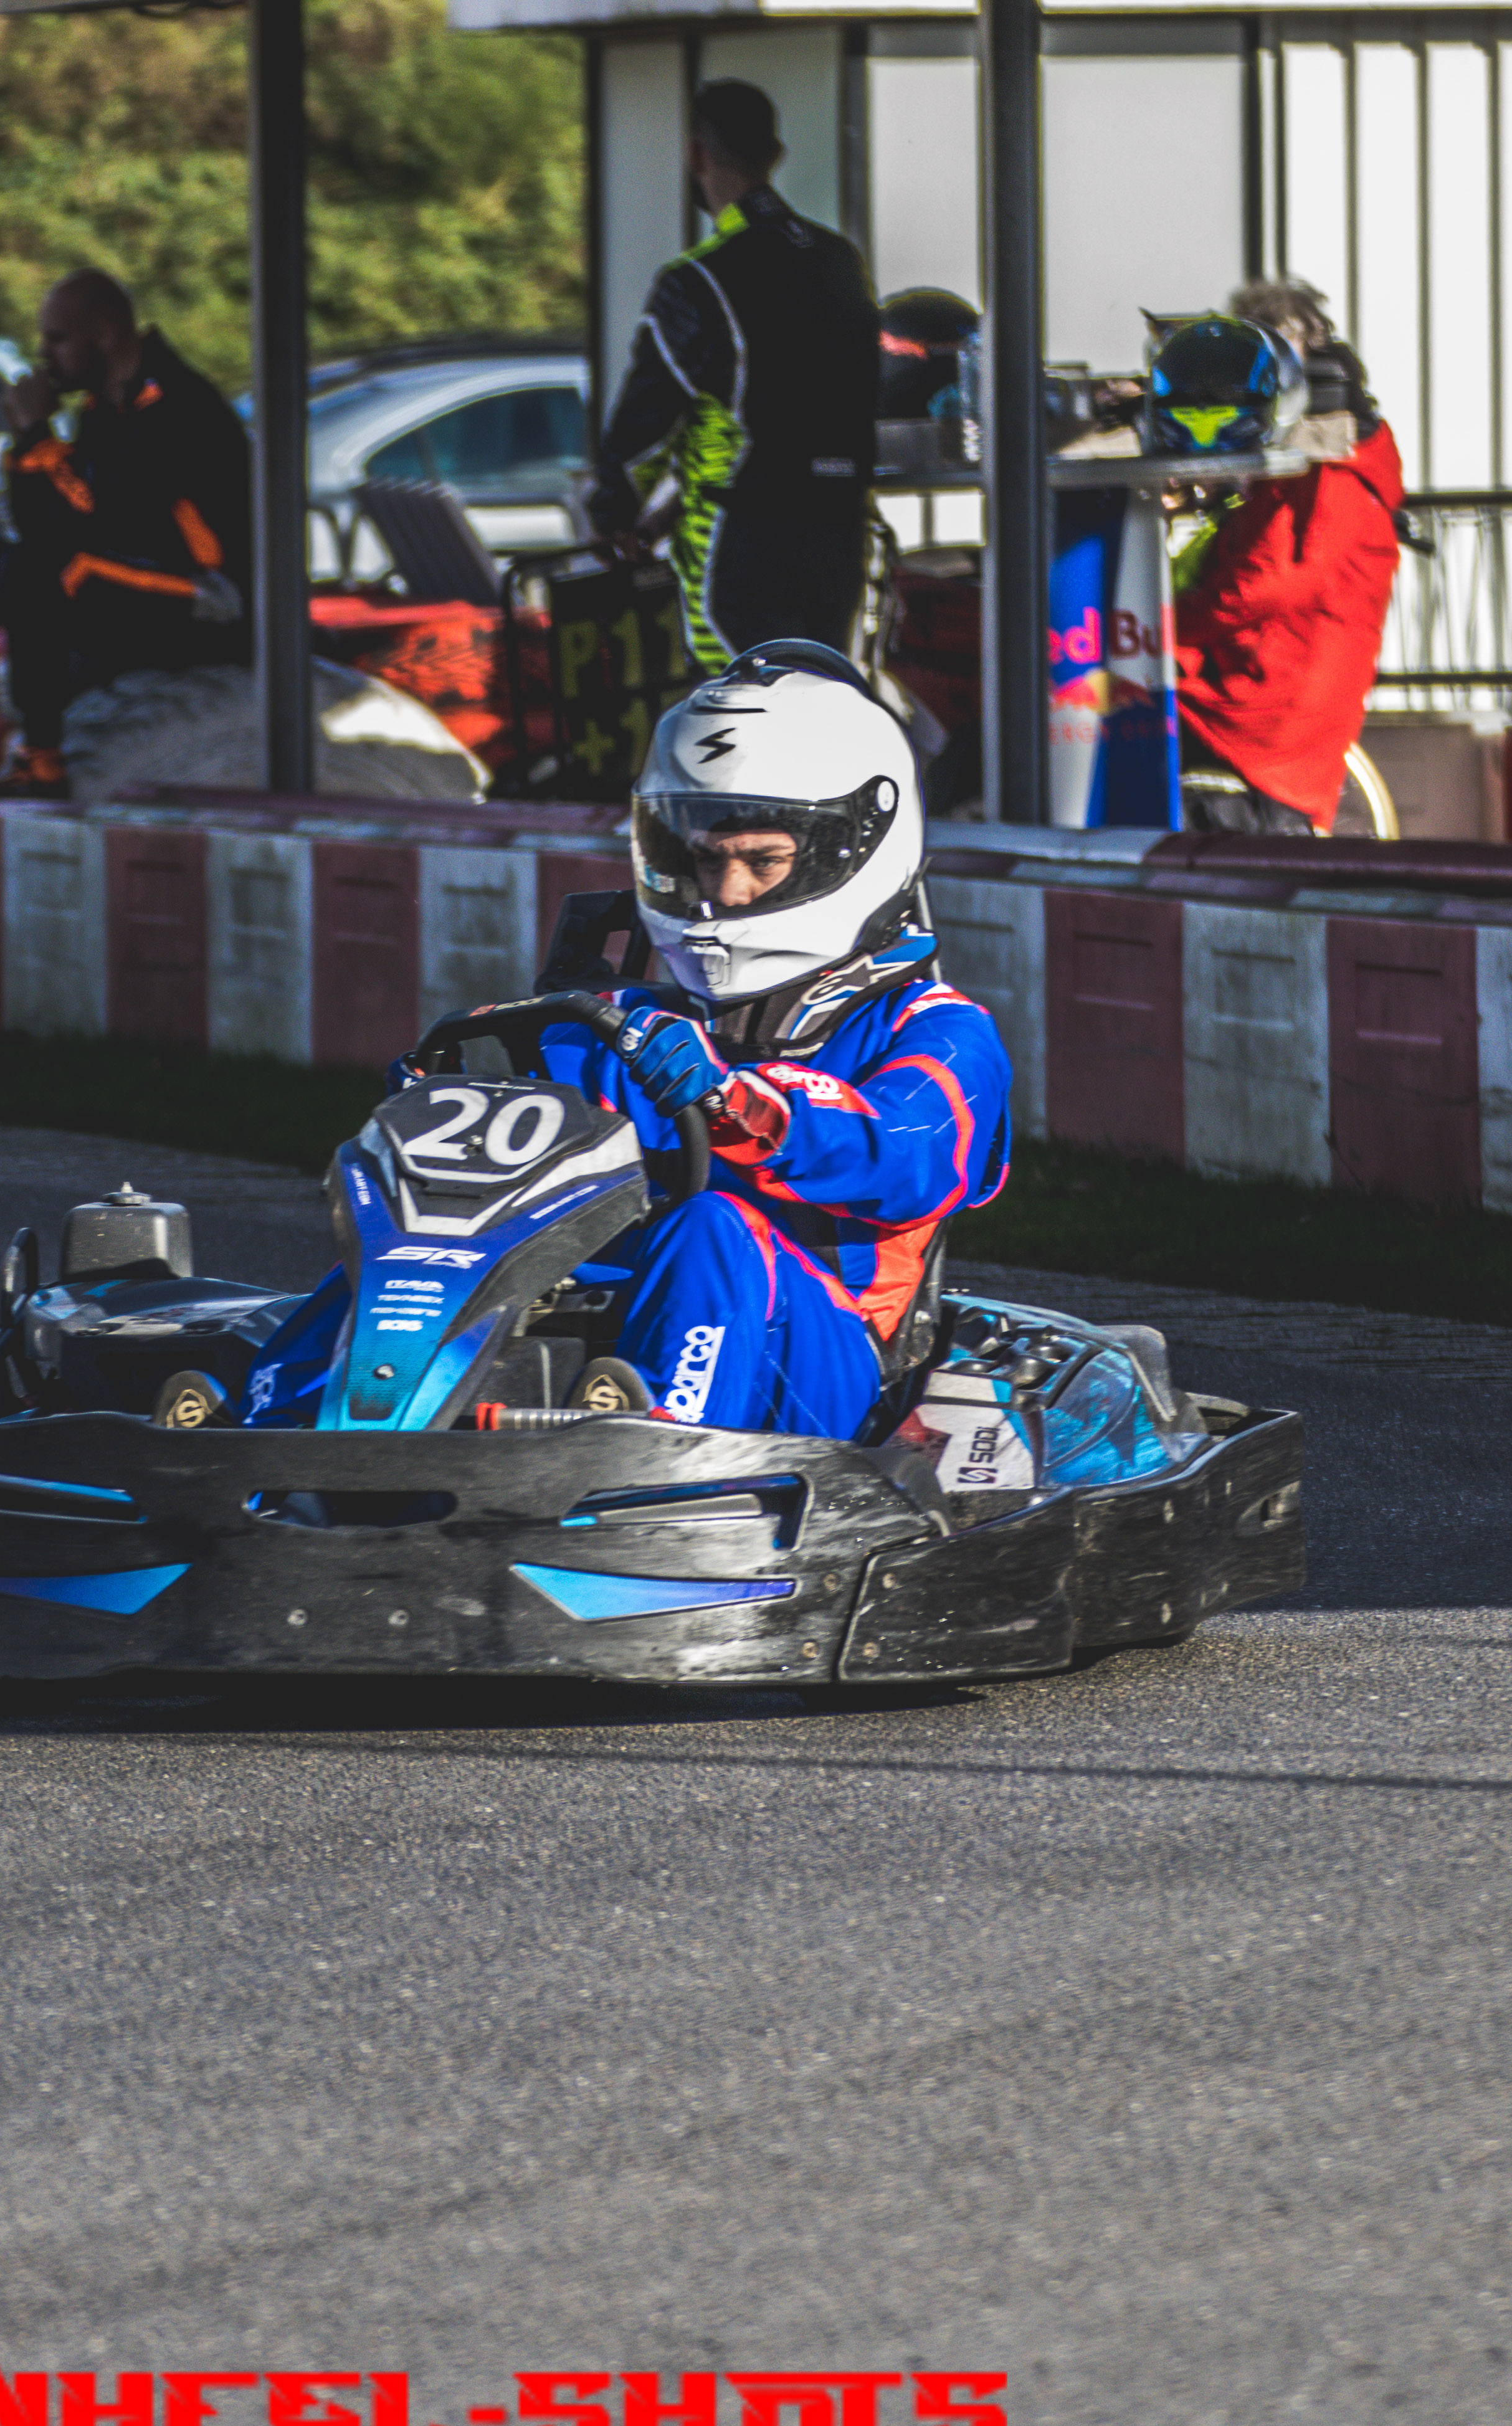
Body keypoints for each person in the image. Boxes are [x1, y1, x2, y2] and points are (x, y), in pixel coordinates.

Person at [243, 642, 1007, 1437]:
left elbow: (906, 1157)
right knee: (418, 1246)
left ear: (854, 850)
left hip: (820, 1361)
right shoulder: (612, 1022)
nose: (724, 892)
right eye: (704, 859)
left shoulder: (939, 1030)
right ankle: (270, 1422)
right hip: (610, 1318)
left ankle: (659, 1451)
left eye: (763, 861)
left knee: (712, 1224)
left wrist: (737, 1102)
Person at [0, 269, 253, 799]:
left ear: (103, 336)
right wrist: (27, 442)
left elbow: (107, 518)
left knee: (42, 567)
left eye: (57, 339)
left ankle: (42, 758)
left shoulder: (174, 404)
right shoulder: (104, 408)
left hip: (206, 597)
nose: (44, 355)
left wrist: (40, 437)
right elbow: (42, 524)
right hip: (125, 573)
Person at [586, 82, 881, 677]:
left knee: (745, 710)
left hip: (748, 541)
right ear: (776, 155)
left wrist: (613, 511)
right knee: (826, 701)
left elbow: (644, 429)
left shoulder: (696, 280)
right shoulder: (841, 261)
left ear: (696, 155)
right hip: (842, 536)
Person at [1166, 280, 1405, 837]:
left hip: (1262, 718)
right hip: (1259, 688)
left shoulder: (1331, 477)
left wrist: (1161, 631)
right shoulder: (1309, 463)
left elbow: (1261, 586)